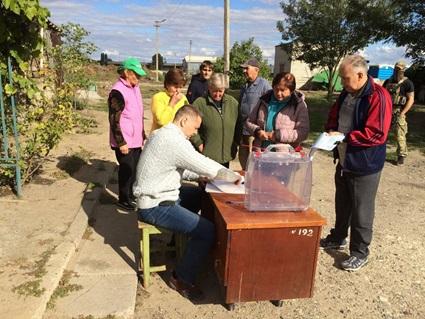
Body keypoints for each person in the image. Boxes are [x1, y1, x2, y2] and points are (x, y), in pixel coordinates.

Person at [133, 105, 242, 300]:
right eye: (195, 127)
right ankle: (180, 277)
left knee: (201, 196)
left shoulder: (163, 133)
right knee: (207, 230)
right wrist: (235, 178)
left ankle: (185, 245)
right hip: (154, 205)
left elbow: (181, 167)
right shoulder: (173, 140)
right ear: (184, 121)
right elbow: (205, 165)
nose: (195, 132)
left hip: (159, 194)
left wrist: (202, 176)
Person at [320, 55, 392, 271]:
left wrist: (343, 137)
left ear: (361, 75)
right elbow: (335, 115)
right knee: (342, 203)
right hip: (344, 159)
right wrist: (330, 130)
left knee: (362, 209)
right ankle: (338, 236)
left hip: (365, 164)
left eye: (345, 78)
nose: (342, 83)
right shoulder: (347, 93)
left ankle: (360, 251)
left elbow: (376, 134)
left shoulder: (378, 96)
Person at [108, 57, 146, 210]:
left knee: (136, 168)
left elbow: (137, 114)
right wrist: (121, 142)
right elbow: (114, 119)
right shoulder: (117, 91)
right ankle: (123, 199)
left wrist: (142, 132)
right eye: (135, 74)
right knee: (127, 170)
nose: (138, 77)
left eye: (139, 75)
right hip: (124, 140)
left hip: (136, 138)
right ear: (126, 72)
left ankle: (131, 196)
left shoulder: (135, 87)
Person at [245, 72, 309, 151]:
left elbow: (303, 132)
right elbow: (249, 122)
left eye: (283, 90)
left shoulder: (299, 105)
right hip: (261, 152)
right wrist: (257, 131)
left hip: (284, 157)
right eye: (276, 89)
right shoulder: (264, 100)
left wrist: (278, 135)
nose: (278, 93)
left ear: (291, 91)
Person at [191, 73, 241, 167]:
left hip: (226, 155)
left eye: (220, 91)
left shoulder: (233, 103)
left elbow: (239, 125)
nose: (217, 94)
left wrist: (236, 143)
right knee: (207, 181)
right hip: (206, 155)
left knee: (223, 181)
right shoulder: (200, 103)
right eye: (214, 91)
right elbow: (190, 126)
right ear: (209, 88)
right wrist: (198, 143)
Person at [238, 57, 271, 170]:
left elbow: (270, 106)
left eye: (246, 68)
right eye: (243, 69)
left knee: (253, 158)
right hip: (243, 129)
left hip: (254, 131)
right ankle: (245, 176)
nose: (244, 71)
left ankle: (253, 179)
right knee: (243, 155)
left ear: (256, 70)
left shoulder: (264, 85)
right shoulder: (245, 85)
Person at [383, 61, 415, 165]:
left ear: (403, 70)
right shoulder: (388, 81)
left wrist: (403, 113)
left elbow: (411, 99)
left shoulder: (408, 83)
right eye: (396, 69)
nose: (398, 71)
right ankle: (379, 152)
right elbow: (382, 95)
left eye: (400, 69)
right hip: (387, 111)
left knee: (400, 135)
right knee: (382, 132)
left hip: (399, 111)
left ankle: (401, 155)